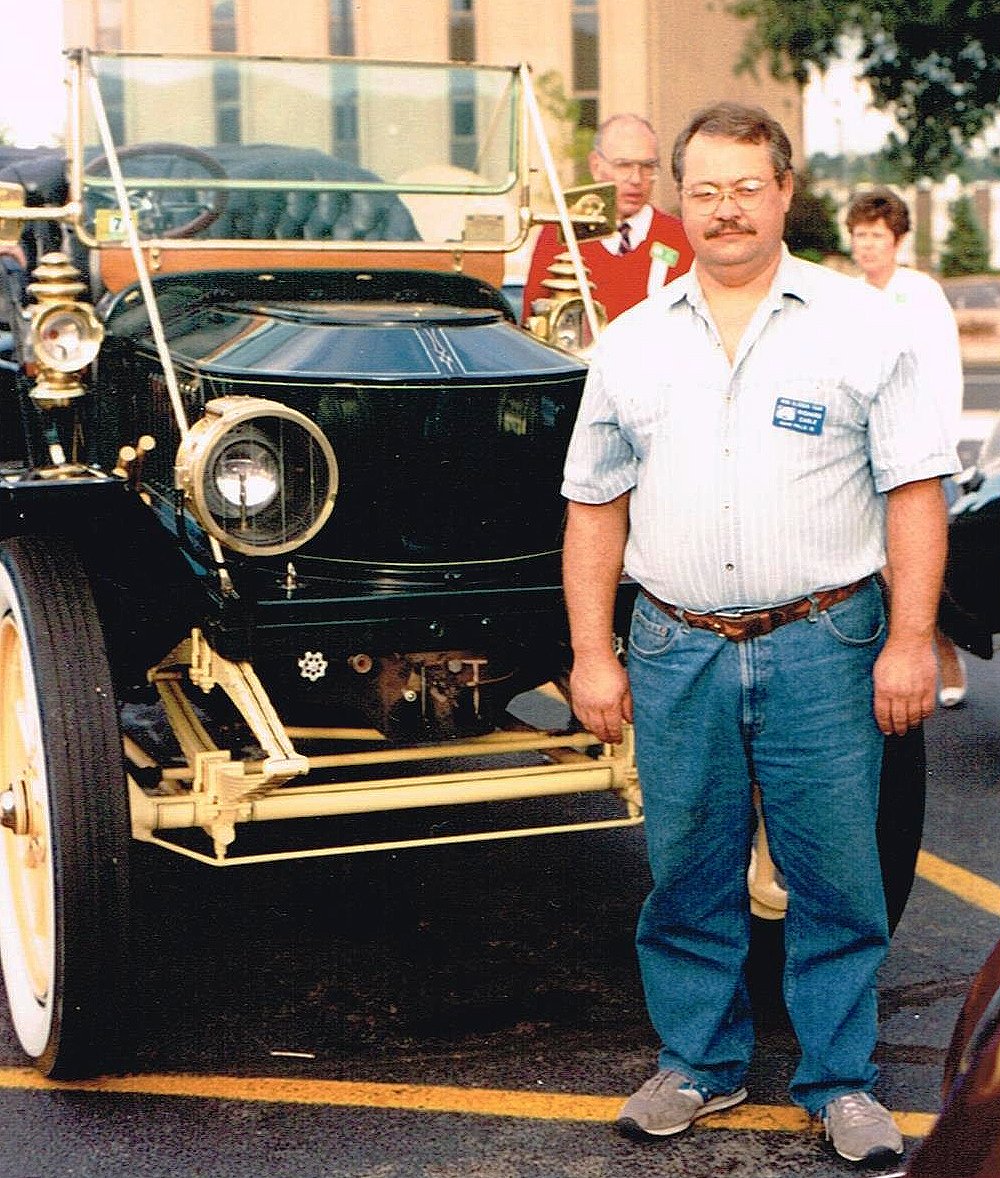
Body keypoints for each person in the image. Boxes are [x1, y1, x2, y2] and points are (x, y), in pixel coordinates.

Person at [561, 101, 959, 1166]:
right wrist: (593, 652)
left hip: (824, 641)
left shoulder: (859, 326)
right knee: (686, 870)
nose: (725, 208)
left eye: (747, 186)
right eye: (704, 190)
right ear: (679, 200)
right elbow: (593, 508)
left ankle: (840, 1079)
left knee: (837, 876)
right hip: (675, 644)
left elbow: (914, 493)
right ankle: (698, 1062)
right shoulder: (632, 343)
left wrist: (910, 639)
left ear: (786, 191)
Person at [847, 187, 968, 707]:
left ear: (896, 240)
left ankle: (946, 655)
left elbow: (943, 373)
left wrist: (939, 451)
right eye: (859, 235)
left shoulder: (921, 294)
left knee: (922, 571)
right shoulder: (847, 298)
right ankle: (888, 669)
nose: (866, 245)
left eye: (876, 236)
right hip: (864, 453)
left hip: (919, 453)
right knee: (879, 571)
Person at [521, 114, 693, 324]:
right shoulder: (561, 232)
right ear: (596, 166)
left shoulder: (681, 237)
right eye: (624, 165)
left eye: (647, 166)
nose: (636, 179)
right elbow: (532, 323)